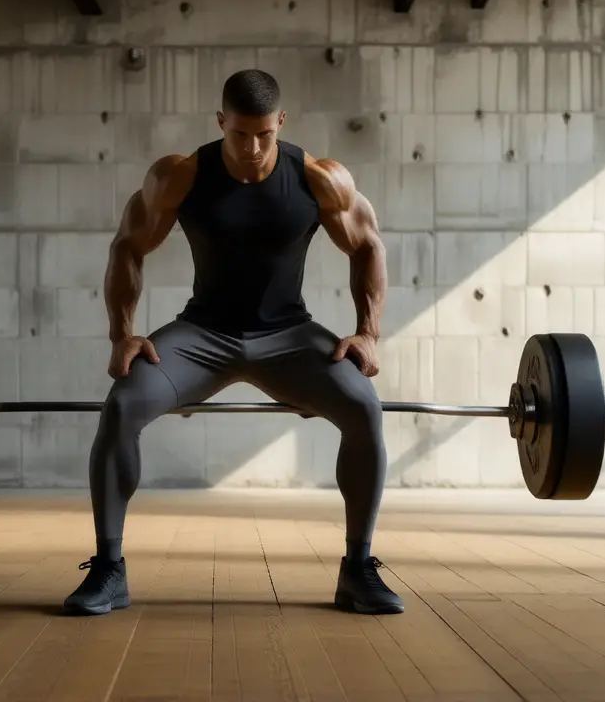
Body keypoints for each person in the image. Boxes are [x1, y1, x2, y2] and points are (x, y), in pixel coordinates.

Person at [63, 69, 402, 616]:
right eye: (239, 134)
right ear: (221, 122)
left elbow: (368, 246)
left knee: (364, 406)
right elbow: (129, 244)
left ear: (281, 123)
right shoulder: (181, 175)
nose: (252, 147)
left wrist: (368, 332)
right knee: (124, 403)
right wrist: (123, 336)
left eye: (264, 135)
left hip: (290, 337)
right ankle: (108, 569)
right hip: (202, 337)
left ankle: (358, 569)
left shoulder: (320, 178)